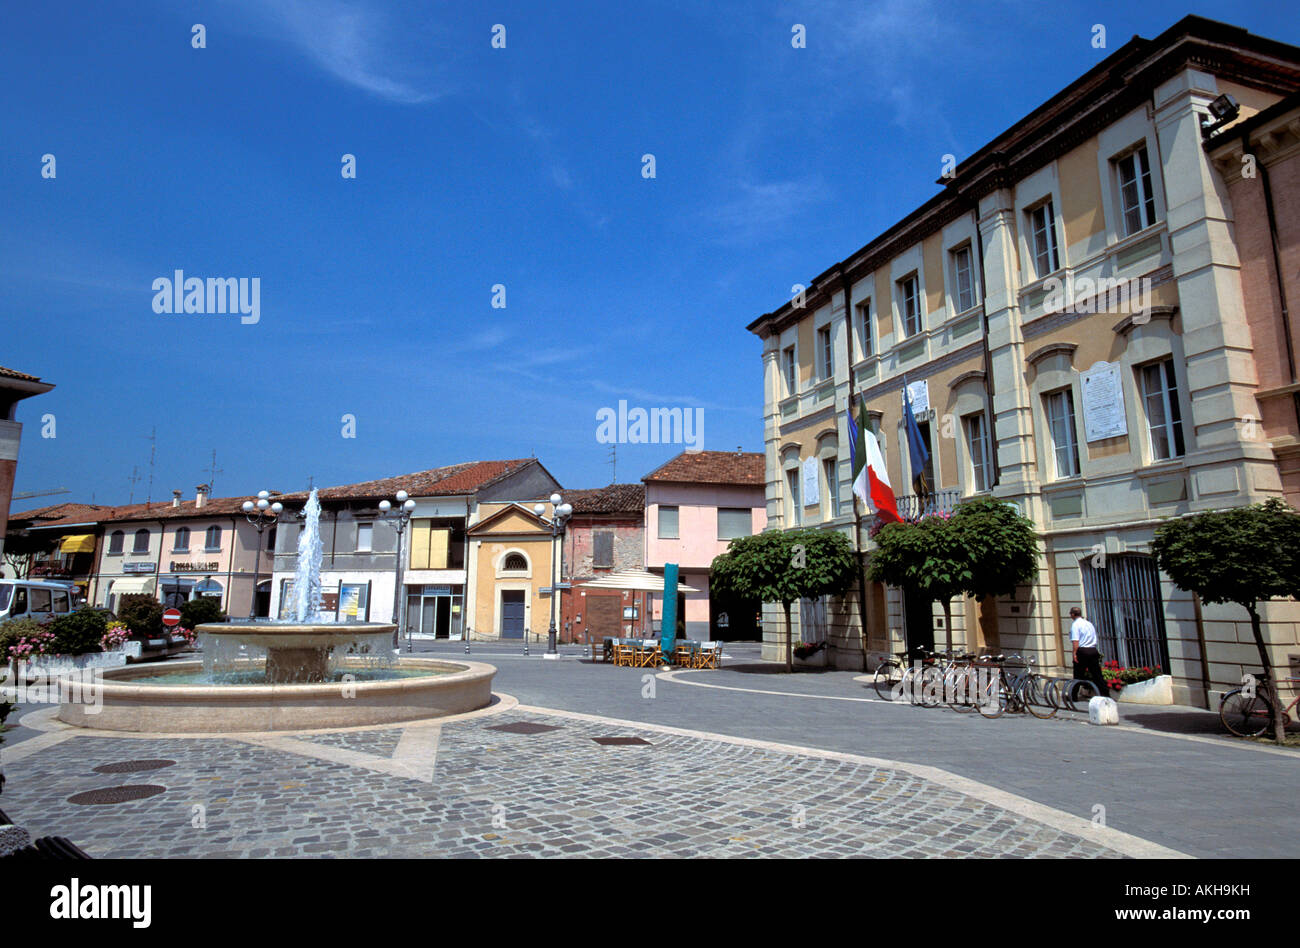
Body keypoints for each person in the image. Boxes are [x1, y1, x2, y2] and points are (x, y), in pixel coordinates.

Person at [1069, 607, 1109, 700]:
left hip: (1082, 651)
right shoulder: (1089, 623)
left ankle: (1073, 696)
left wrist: (1074, 653)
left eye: (1070, 614)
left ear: (1073, 614)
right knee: (1097, 674)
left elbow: (1075, 641)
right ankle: (1106, 694)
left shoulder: (1075, 625)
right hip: (1093, 650)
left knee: (1078, 675)